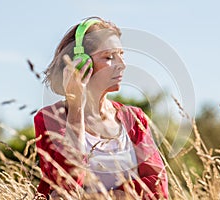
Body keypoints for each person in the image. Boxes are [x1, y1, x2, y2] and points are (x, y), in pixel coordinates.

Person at [34, 16, 168, 199]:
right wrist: (75, 109)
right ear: (80, 62)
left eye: (122, 54)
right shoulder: (49, 118)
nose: (122, 64)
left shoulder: (134, 118)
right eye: (109, 57)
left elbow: (158, 188)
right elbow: (67, 187)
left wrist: (97, 197)